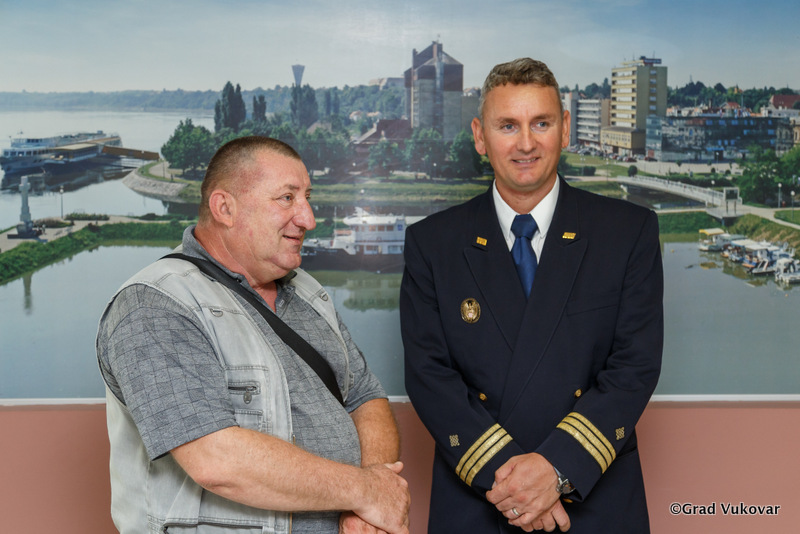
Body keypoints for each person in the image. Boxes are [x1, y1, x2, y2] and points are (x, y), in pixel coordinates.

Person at [400, 58, 663, 532]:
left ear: (565, 129)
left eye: (541, 123)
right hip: (480, 502)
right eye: (508, 125)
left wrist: (556, 470)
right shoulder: (432, 243)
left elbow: (634, 367)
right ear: (480, 137)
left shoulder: (628, 232)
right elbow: (429, 376)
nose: (525, 143)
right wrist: (517, 488)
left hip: (593, 499)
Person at [97, 136, 410, 534]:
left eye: (308, 197)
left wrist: (367, 509)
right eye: (287, 198)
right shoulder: (154, 305)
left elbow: (365, 397)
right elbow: (217, 460)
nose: (308, 218)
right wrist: (366, 491)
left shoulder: (308, 291)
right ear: (225, 208)